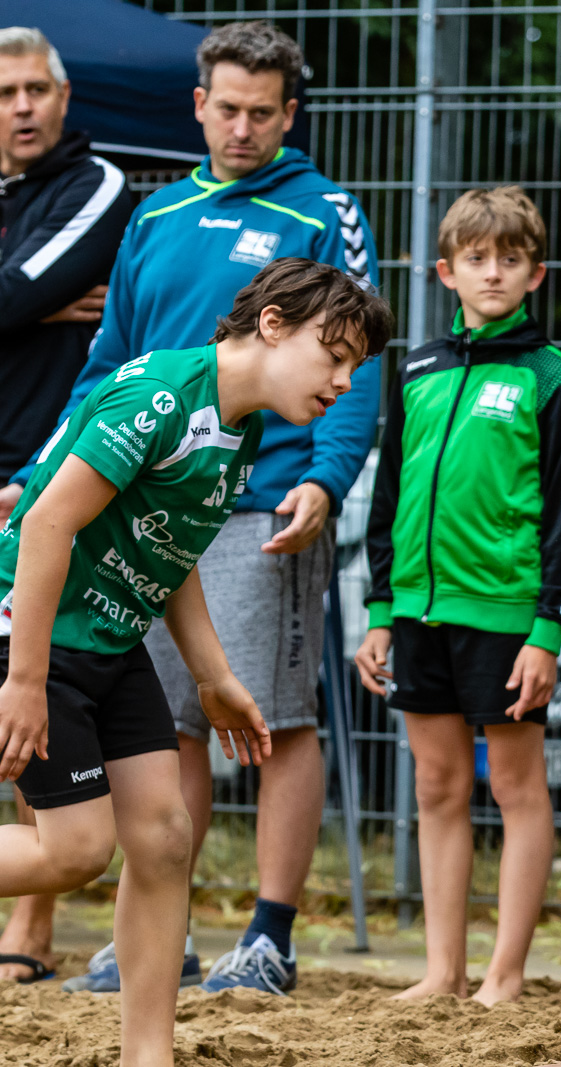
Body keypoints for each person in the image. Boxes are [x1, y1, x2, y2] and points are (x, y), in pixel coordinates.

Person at [4, 20, 382, 996]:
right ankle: (142, 943)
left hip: (246, 505)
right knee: (121, 798)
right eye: (227, 107)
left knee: (252, 731)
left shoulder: (324, 213)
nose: (243, 126)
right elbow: (107, 371)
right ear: (199, 106)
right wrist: (49, 468)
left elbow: (356, 368)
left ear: (290, 115)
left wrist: (327, 477)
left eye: (264, 111)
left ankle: (265, 932)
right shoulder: (157, 218)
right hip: (90, 549)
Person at [0, 258, 390, 1067]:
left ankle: (151, 1055)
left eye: (357, 365)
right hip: (36, 631)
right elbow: (44, 525)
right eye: (336, 354)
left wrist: (215, 679)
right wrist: (25, 678)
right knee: (74, 850)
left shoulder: (241, 426)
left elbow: (171, 559)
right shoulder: (163, 396)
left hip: (110, 639)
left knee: (167, 836)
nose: (347, 382)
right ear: (274, 323)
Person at [353, 186, 561, 1006]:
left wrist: (547, 631)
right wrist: (380, 612)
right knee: (435, 787)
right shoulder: (414, 367)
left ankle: (505, 973)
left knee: (516, 789)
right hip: (417, 612)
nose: (494, 273)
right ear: (445, 270)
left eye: (511, 259)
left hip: (505, 615)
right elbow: (389, 496)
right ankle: (443, 970)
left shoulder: (554, 377)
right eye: (478, 259)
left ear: (536, 273)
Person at [0, 25, 134, 984]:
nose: (20, 107)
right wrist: (28, 303)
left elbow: (12, 299)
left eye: (34, 90)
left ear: (63, 94)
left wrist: (25, 306)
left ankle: (29, 935)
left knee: (33, 682)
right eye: (3, 92)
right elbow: (13, 297)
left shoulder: (96, 185)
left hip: (41, 472)